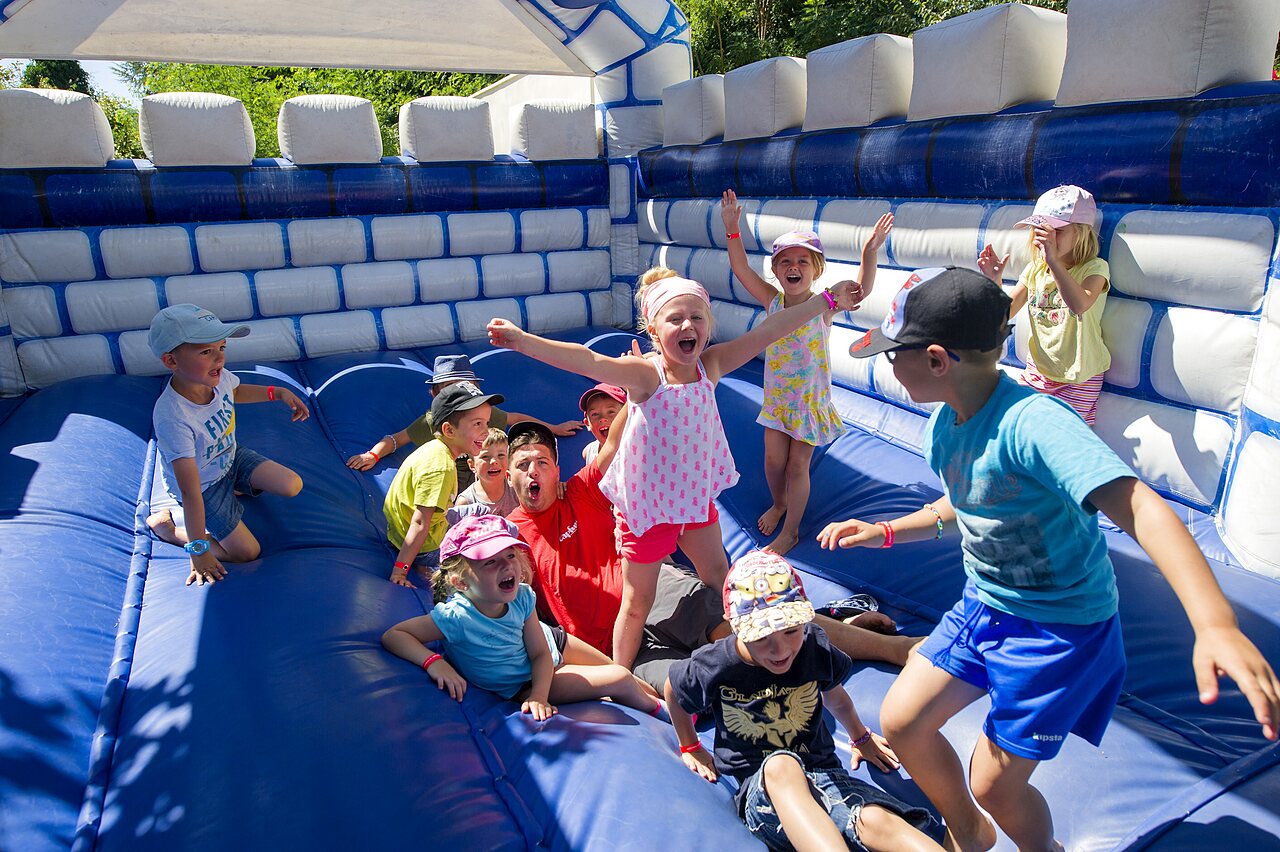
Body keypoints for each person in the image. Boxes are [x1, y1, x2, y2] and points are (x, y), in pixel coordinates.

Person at [821, 266, 1280, 852]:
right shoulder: (946, 423)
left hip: (1059, 631)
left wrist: (1214, 623)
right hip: (983, 606)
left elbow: (1141, 507)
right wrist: (886, 530)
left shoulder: (1035, 424)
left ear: (937, 360)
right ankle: (968, 828)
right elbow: (964, 503)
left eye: (894, 355)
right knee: (903, 721)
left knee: (994, 783)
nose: (888, 364)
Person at [488, 268, 865, 670]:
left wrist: (826, 301)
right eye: (675, 319)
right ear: (653, 331)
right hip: (647, 508)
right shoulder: (647, 376)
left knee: (721, 576)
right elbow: (589, 359)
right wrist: (523, 341)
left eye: (697, 318)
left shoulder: (711, 365)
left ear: (707, 326)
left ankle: (766, 638)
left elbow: (770, 331)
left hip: (691, 498)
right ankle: (621, 675)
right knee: (637, 603)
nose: (688, 326)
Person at [504, 418, 918, 694]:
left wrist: (641, 381)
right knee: (689, 686)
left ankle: (892, 650)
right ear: (509, 475)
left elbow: (614, 444)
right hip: (613, 646)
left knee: (748, 629)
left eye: (542, 462)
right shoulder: (508, 532)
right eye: (523, 465)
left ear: (558, 470)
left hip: (653, 594)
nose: (533, 471)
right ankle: (835, 623)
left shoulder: (581, 492)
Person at [666, 551, 941, 852]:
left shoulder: (812, 646)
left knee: (875, 819)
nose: (780, 649)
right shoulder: (715, 665)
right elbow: (674, 690)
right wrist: (690, 745)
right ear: (736, 629)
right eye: (762, 638)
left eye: (790, 631)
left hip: (825, 775)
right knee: (781, 765)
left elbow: (837, 698)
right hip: (765, 792)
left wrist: (860, 737)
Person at [722, 189, 892, 555]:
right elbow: (740, 269)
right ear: (776, 270)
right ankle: (779, 502)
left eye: (802, 261)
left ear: (817, 269)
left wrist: (870, 251)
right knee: (772, 461)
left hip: (810, 402)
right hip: (779, 399)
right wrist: (732, 229)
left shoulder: (825, 305)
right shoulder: (773, 300)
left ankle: (791, 531)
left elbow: (861, 290)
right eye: (785, 262)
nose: (793, 267)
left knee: (798, 465)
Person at [380, 515, 660, 719]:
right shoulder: (457, 617)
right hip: (524, 684)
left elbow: (540, 652)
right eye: (490, 562)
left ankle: (669, 703)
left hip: (553, 645)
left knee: (625, 674)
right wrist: (434, 662)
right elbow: (395, 635)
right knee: (620, 677)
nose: (506, 565)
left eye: (510, 555)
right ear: (461, 582)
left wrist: (541, 693)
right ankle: (668, 715)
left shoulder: (523, 596)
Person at [144, 304, 308, 587]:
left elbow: (235, 391)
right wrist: (199, 551)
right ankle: (169, 531)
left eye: (221, 347)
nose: (219, 358)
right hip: (205, 486)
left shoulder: (215, 379)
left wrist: (277, 392)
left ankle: (236, 486)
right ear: (171, 361)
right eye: (206, 351)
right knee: (246, 552)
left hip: (230, 458)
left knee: (292, 484)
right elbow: (190, 490)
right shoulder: (173, 417)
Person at [345, 353, 583, 491]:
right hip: (454, 481)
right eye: (450, 390)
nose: (459, 397)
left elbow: (516, 419)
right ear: (435, 395)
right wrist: (372, 455)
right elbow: (397, 439)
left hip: (486, 473)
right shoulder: (432, 423)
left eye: (464, 389)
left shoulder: (482, 415)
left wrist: (553, 428)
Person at [977, 185, 1111, 425]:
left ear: (1081, 232)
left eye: (1055, 230)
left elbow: (1079, 305)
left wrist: (1053, 260)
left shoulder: (1095, 268)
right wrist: (994, 282)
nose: (1044, 237)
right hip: (1038, 373)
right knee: (1018, 427)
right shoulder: (1035, 270)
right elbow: (1003, 314)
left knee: (1063, 440)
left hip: (1078, 379)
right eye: (1040, 229)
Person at [382, 381, 502, 587]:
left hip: (397, 531)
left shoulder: (434, 448)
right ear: (449, 430)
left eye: (487, 423)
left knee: (479, 512)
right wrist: (400, 571)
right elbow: (420, 524)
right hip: (425, 548)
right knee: (492, 544)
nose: (486, 431)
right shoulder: (441, 469)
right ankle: (431, 567)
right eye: (477, 424)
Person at [452, 427, 518, 518]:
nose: (494, 461)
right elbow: (457, 531)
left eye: (501, 455)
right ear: (472, 465)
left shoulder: (517, 492)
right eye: (485, 457)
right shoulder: (466, 502)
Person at [578, 382, 626, 465]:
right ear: (587, 424)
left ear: (626, 417)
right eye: (595, 414)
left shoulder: (634, 450)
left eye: (611, 412)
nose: (603, 419)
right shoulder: (589, 451)